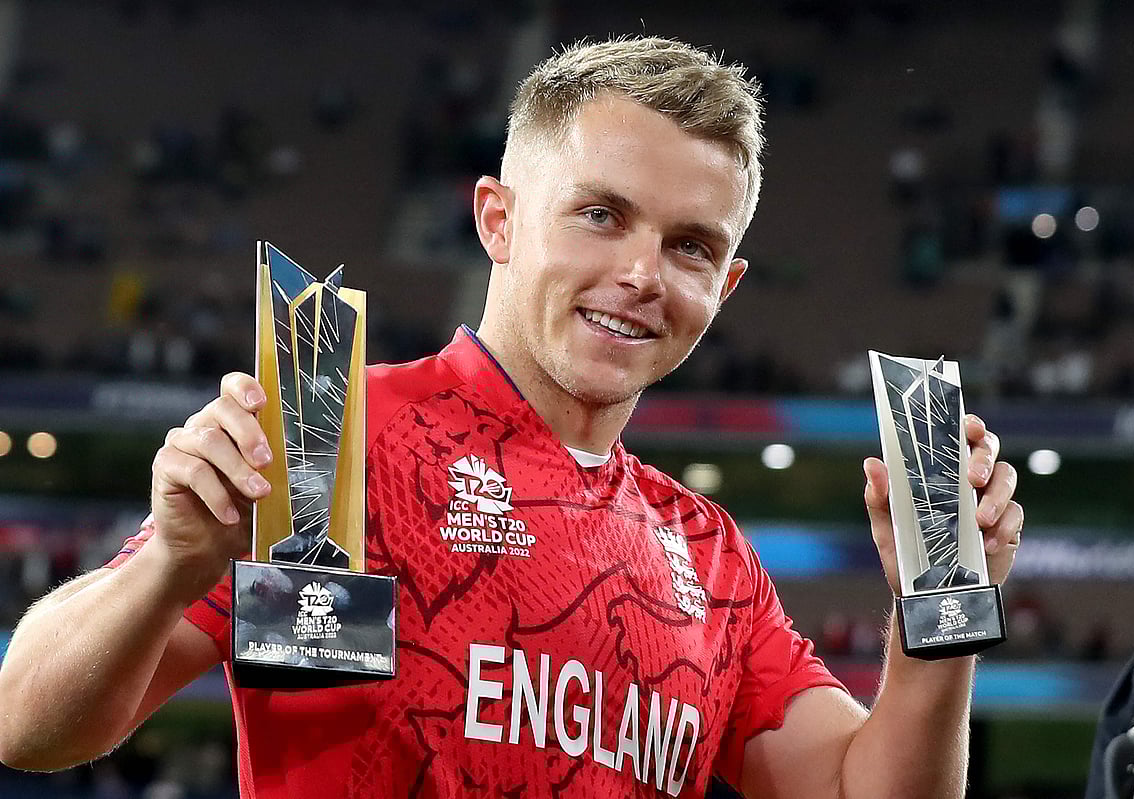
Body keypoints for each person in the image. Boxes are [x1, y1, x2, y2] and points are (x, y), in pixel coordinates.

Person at [0, 37, 1023, 798]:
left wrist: (943, 606)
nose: (640, 275)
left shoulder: (708, 556)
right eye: (601, 214)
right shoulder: (336, 440)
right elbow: (28, 725)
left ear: (730, 284)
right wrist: (177, 562)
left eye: (691, 247)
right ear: (497, 218)